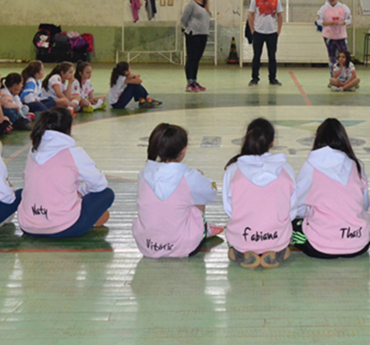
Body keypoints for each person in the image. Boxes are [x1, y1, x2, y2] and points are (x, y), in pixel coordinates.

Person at [19, 108, 115, 238]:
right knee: (107, 193)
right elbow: (99, 184)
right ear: (69, 128)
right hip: (63, 228)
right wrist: (81, 192)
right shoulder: (73, 153)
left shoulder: (33, 150)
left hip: (28, 226)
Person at [133, 123, 221, 258]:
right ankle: (204, 229)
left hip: (147, 246)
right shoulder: (189, 177)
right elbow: (211, 193)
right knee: (197, 196)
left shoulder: (143, 174)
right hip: (185, 247)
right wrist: (200, 177)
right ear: (183, 150)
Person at [223, 118, 296, 269]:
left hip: (244, 237)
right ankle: (279, 250)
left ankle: (241, 252)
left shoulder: (233, 170)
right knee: (290, 230)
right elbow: (292, 209)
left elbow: (229, 209)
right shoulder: (286, 169)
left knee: (232, 232)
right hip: (276, 237)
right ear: (272, 142)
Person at [292, 119, 370, 259]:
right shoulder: (357, 165)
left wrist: (308, 212)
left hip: (321, 247)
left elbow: (296, 204)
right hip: (359, 244)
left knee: (291, 224)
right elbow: (364, 205)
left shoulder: (311, 166)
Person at [248, 0, 284, 87]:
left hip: (272, 33)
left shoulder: (276, 0)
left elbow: (280, 15)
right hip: (258, 32)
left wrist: (278, 30)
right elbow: (250, 15)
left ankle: (272, 79)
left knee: (272, 56)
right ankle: (254, 78)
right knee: (256, 56)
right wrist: (252, 30)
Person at [181, 0, 212, 93]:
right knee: (191, 58)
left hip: (203, 34)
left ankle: (194, 80)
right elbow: (184, 18)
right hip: (193, 34)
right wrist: (186, 28)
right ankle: (189, 83)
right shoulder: (192, 4)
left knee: (197, 59)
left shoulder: (206, 5)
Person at [315, 0, 352, 69]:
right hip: (329, 37)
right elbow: (318, 21)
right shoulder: (323, 8)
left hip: (341, 36)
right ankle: (333, 75)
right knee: (332, 57)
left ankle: (345, 75)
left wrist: (342, 23)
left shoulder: (344, 8)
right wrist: (329, 23)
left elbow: (349, 20)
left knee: (345, 56)